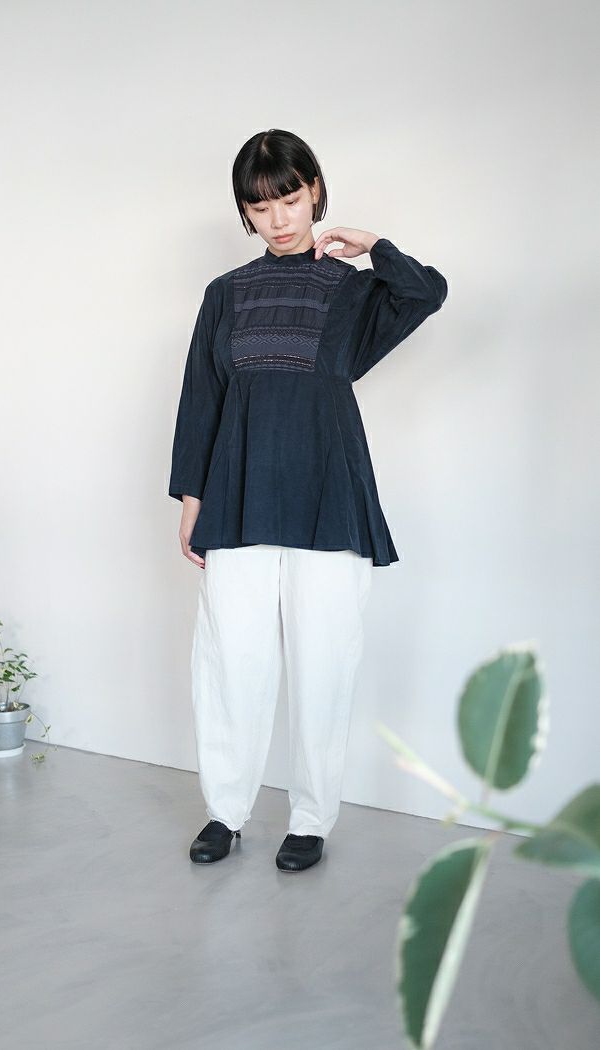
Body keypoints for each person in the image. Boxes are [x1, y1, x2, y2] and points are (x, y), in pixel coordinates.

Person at [168, 129, 447, 872]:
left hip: (328, 492)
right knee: (231, 662)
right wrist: (191, 497)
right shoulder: (225, 294)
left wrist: (373, 245)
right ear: (245, 213)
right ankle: (225, 812)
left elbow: (426, 292)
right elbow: (202, 398)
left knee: (325, 665)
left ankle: (311, 820)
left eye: (290, 199)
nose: (279, 218)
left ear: (315, 190)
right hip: (238, 494)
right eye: (261, 207)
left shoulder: (351, 289)